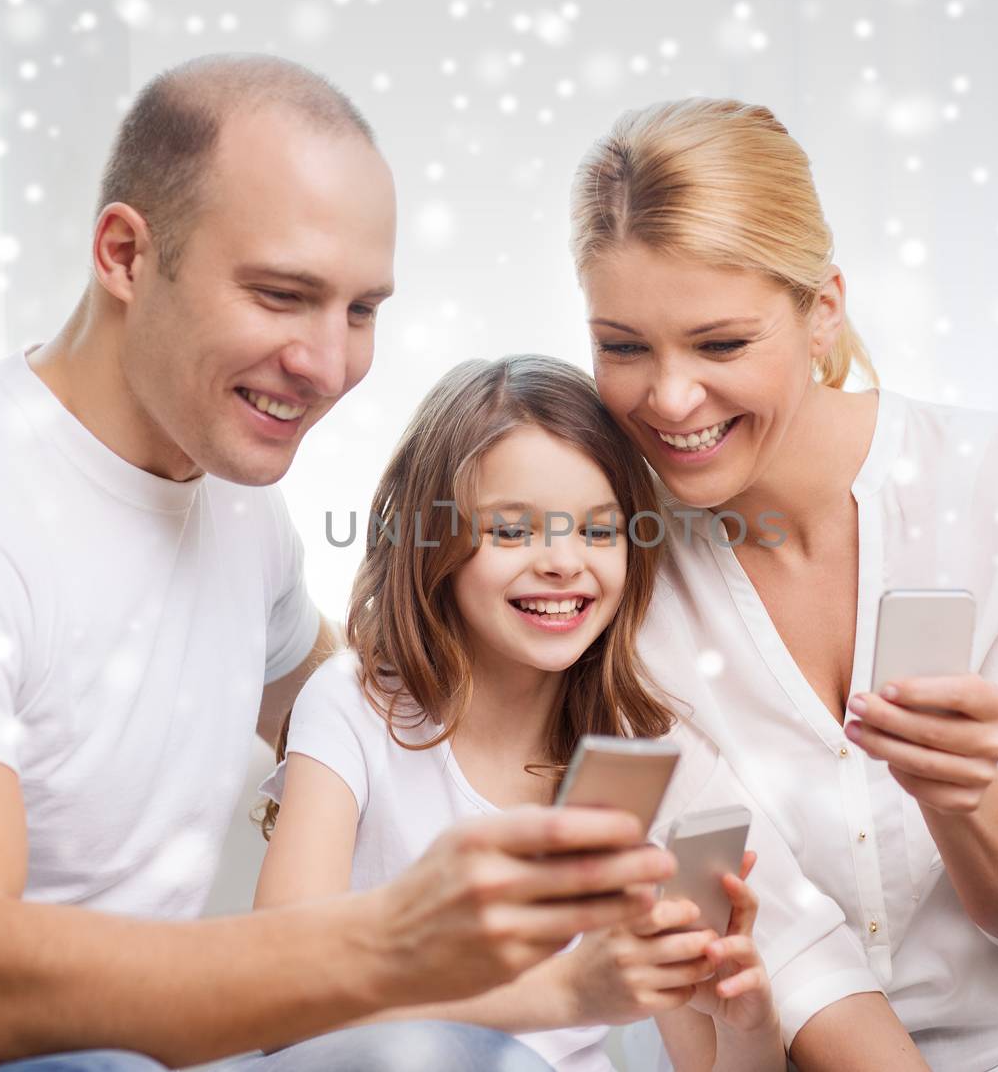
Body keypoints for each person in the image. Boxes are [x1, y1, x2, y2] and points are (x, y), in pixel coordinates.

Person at [0, 55, 677, 1072]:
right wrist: (393, 944)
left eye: (362, 310)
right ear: (123, 254)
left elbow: (365, 698)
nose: (329, 366)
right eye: (282, 295)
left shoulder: (238, 512)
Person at [567, 98, 998, 1072]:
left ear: (822, 309)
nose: (668, 397)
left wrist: (964, 800)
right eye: (623, 346)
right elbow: (774, 939)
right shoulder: (612, 575)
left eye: (720, 344)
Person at [252, 354, 926, 1071]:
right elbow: (283, 1005)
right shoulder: (356, 704)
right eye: (513, 531)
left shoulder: (642, 753)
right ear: (433, 541)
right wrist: (558, 992)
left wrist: (746, 1026)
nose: (563, 562)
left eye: (600, 532)